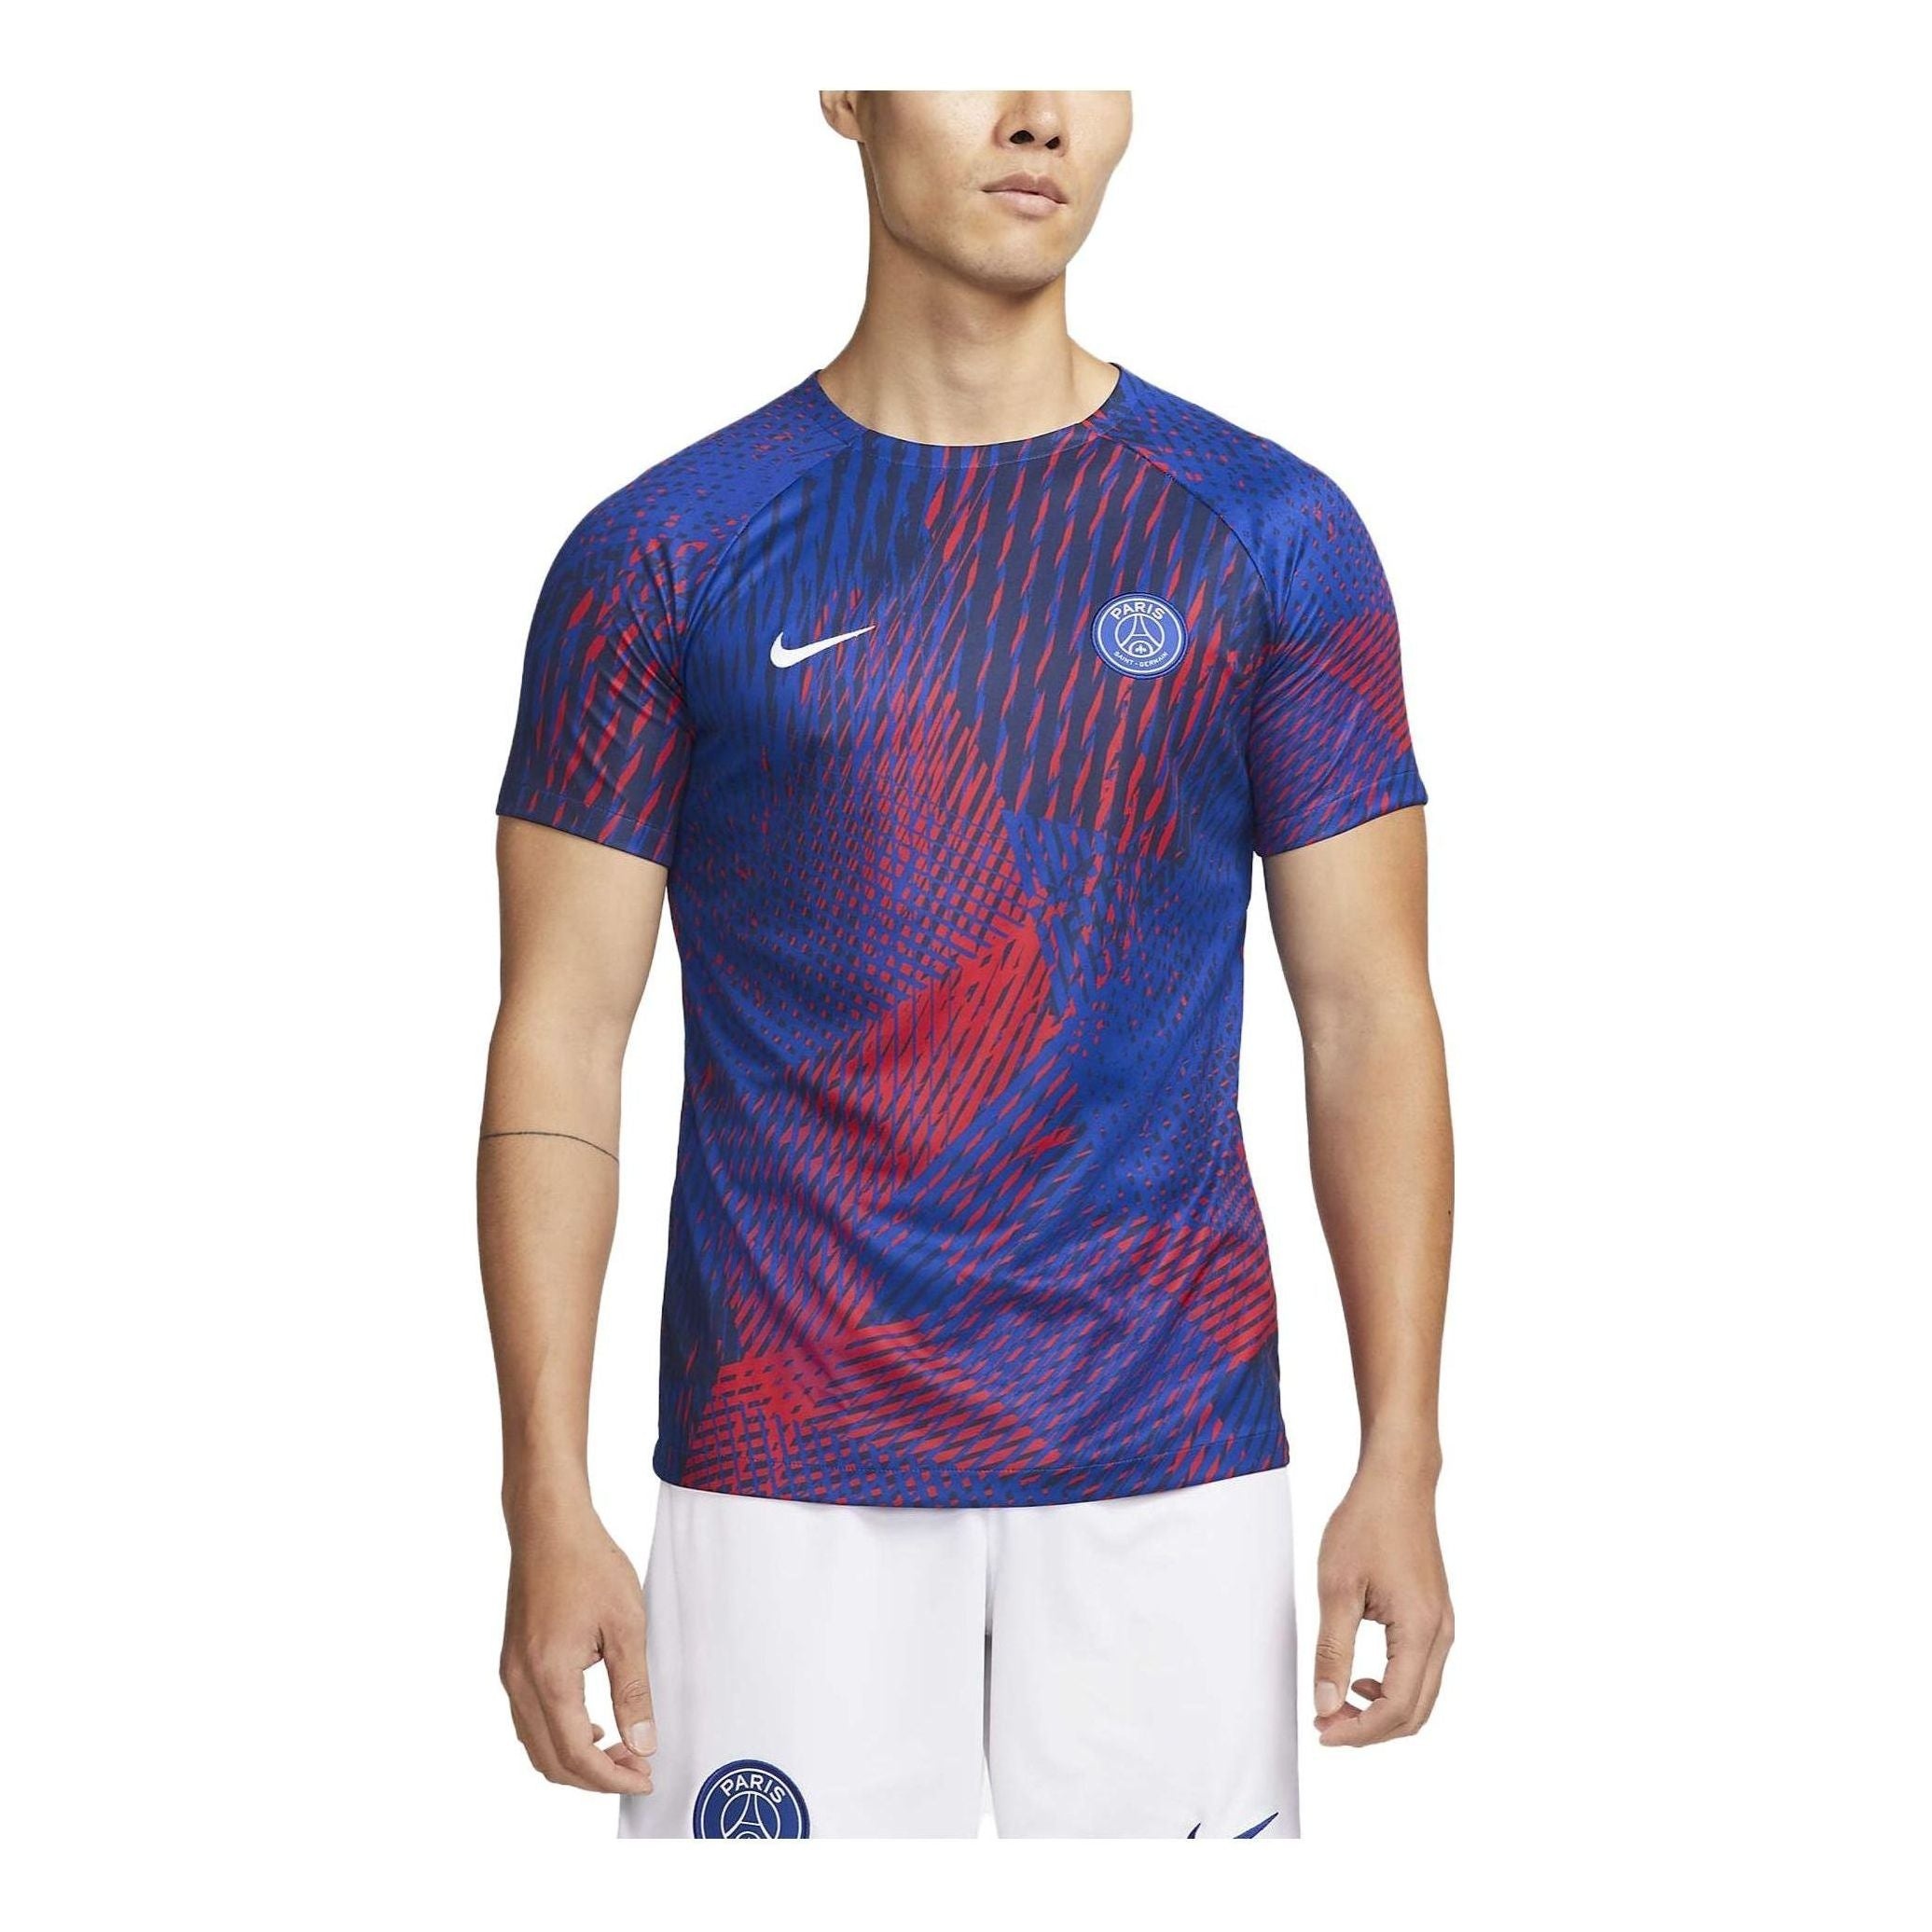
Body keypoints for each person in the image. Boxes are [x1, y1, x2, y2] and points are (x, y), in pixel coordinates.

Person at [478, 89, 1453, 1842]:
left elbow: (1369, 1014)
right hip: (787, 1464)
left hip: (1169, 1453)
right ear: (846, 87)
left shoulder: (1268, 532)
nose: (1036, 115)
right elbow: (560, 1034)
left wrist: (1405, 1451)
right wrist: (542, 1496)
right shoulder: (664, 555)